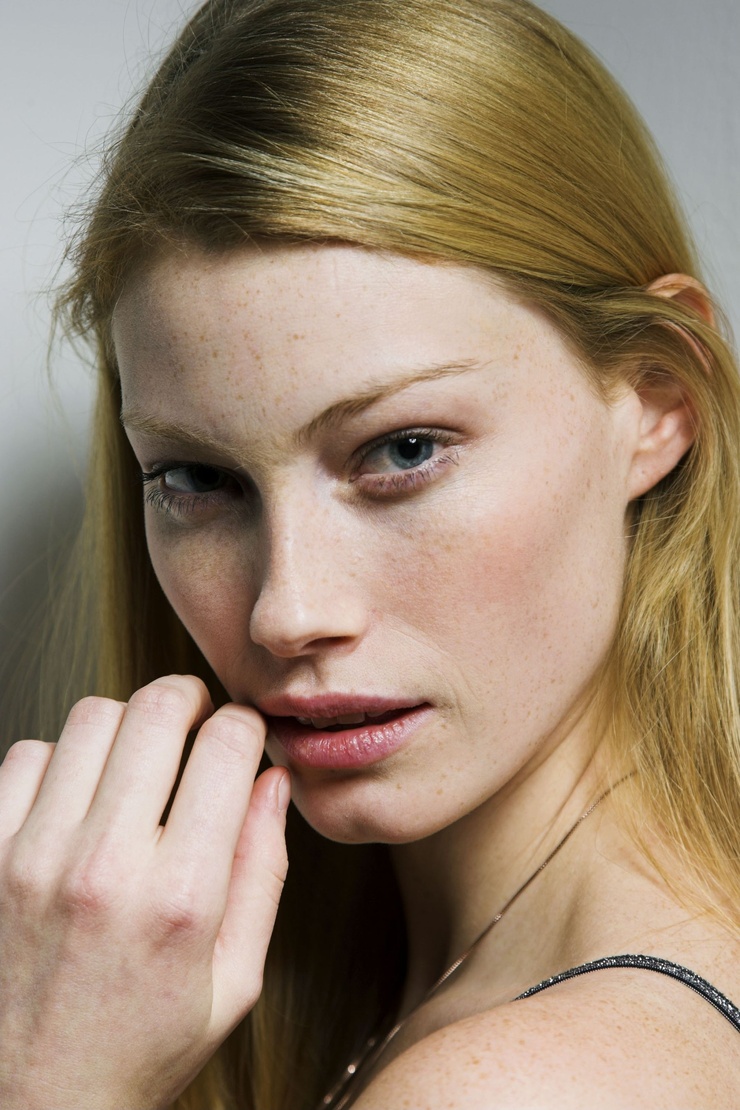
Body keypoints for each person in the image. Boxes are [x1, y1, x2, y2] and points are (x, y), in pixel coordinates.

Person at [1, 0, 739, 1107]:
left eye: (403, 450)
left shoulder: (515, 1085)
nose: (286, 612)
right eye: (197, 480)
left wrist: (49, 1081)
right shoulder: (435, 990)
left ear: (655, 402)